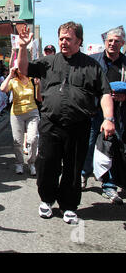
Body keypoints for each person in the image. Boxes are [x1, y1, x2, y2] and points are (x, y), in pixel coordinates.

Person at [16, 22, 115, 224]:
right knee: (47, 164)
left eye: (68, 38)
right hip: (51, 124)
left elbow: (105, 93)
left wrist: (108, 119)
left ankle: (69, 205)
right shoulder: (48, 62)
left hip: (78, 126)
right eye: (61, 38)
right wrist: (23, 47)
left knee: (73, 167)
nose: (63, 41)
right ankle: (46, 200)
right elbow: (23, 68)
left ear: (79, 41)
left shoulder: (92, 66)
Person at [81, 28, 126, 204]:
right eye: (110, 41)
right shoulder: (93, 61)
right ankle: (84, 174)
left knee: (113, 149)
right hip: (94, 113)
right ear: (105, 41)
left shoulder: (124, 63)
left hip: (118, 114)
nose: (113, 44)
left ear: (122, 43)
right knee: (90, 144)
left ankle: (109, 184)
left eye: (117, 41)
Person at [0, 66, 40, 176]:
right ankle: (19, 163)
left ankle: (31, 162)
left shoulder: (33, 80)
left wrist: (38, 85)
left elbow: (39, 98)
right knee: (17, 141)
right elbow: (3, 89)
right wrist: (9, 75)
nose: (21, 70)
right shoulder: (13, 81)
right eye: (18, 68)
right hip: (17, 113)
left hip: (32, 112)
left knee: (32, 139)